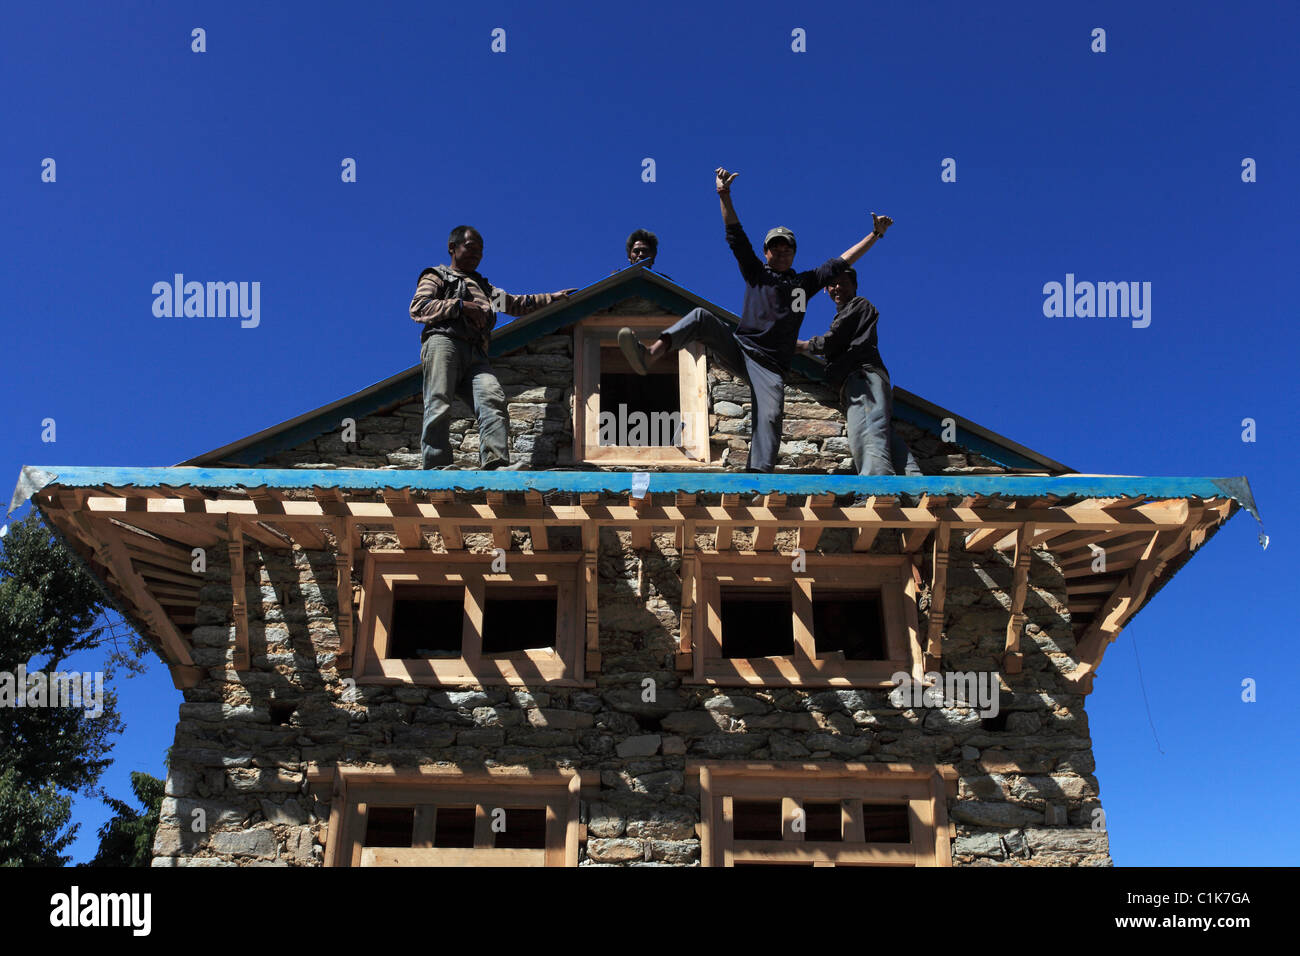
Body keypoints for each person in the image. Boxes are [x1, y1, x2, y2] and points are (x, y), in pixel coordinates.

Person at [617, 167, 894, 472]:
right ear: (766, 253)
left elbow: (843, 261)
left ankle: (757, 474)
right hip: (741, 347)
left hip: (770, 365)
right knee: (700, 317)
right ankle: (650, 354)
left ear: (794, 253)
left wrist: (875, 235)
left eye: (787, 247)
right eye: (776, 247)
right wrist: (724, 195)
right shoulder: (756, 272)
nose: (782, 251)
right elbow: (735, 236)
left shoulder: (806, 283)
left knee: (771, 415)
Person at [409, 226, 575, 469]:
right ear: (452, 248)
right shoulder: (438, 275)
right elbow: (419, 307)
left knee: (492, 398)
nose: (477, 254)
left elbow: (516, 305)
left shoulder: (485, 289)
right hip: (445, 341)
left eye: (481, 251)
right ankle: (435, 466)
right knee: (439, 401)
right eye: (471, 247)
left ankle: (495, 464)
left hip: (477, 353)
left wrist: (552, 298)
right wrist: (462, 306)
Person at [797, 268, 922, 476]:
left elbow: (833, 339)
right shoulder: (848, 313)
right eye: (832, 284)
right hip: (867, 380)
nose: (837, 287)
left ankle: (878, 490)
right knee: (883, 435)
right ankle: (917, 490)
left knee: (866, 433)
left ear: (854, 286)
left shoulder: (859, 305)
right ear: (826, 290)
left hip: (863, 378)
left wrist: (802, 346)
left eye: (843, 282)